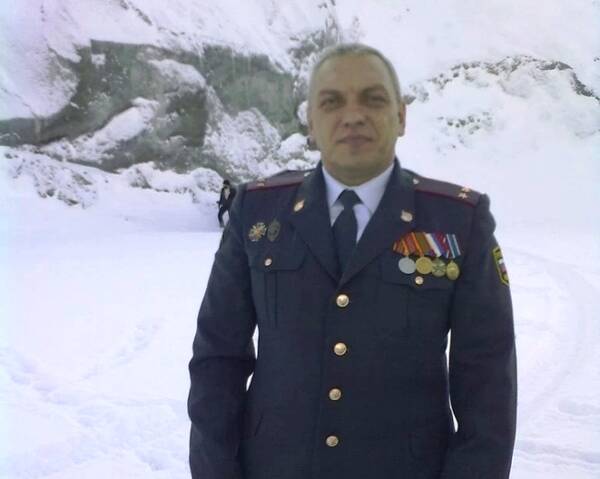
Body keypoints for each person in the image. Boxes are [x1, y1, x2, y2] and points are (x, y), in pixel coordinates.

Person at [188, 43, 517, 479]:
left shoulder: (457, 220)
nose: (353, 115)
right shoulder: (257, 211)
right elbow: (218, 358)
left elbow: (487, 383)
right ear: (311, 122)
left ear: (401, 116)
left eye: (373, 99)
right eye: (332, 102)